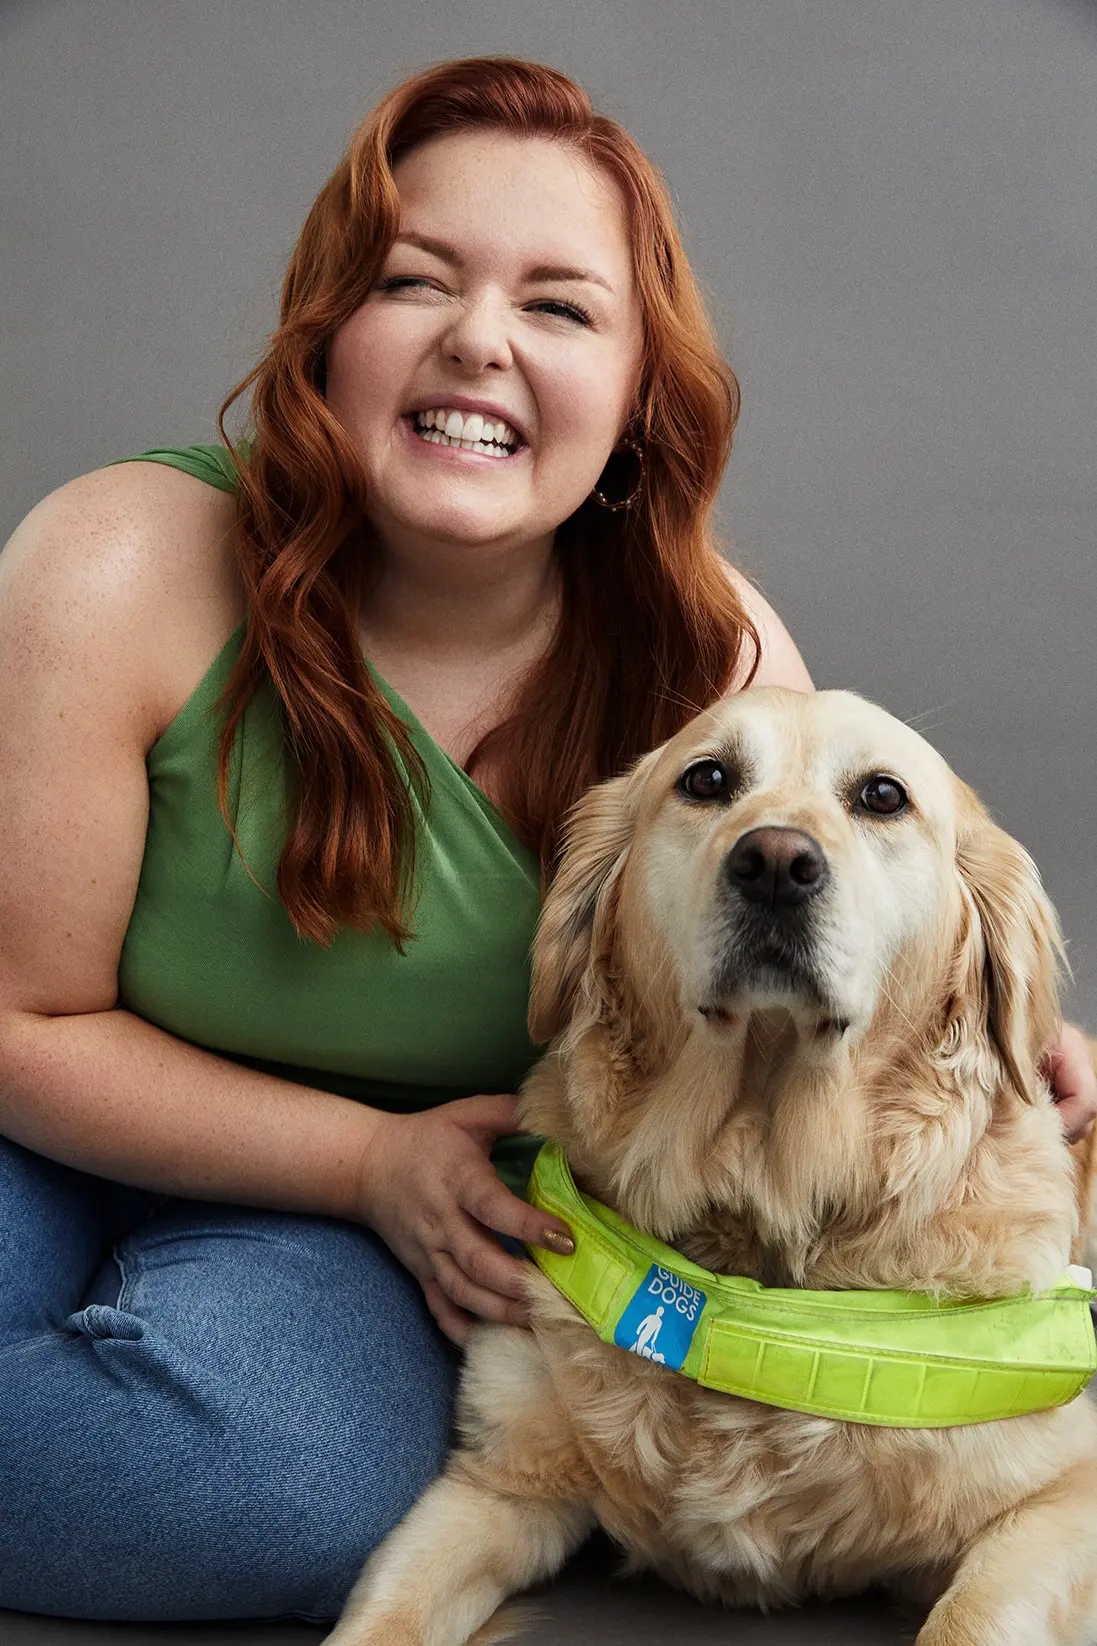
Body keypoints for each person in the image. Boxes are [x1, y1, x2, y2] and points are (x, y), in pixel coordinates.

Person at [0, 55, 1092, 1627]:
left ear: (638, 391)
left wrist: (1017, 1024)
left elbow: (838, 909)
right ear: (327, 331)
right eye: (414, 280)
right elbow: (19, 1022)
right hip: (51, 1132)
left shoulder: (710, 669)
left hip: (342, 1236)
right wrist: (365, 1155)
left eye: (561, 306)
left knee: (283, 1487)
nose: (480, 340)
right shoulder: (114, 561)